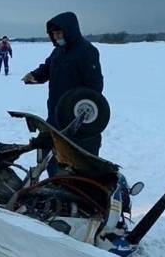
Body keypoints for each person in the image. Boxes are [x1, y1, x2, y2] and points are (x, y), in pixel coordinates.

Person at [22, 12, 104, 157]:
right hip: (55, 114)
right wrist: (34, 75)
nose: (56, 37)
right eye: (54, 34)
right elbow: (47, 67)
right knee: (50, 156)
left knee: (74, 161)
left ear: (69, 31)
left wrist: (83, 113)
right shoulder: (58, 52)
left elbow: (95, 86)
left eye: (59, 33)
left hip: (75, 120)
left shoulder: (86, 51)